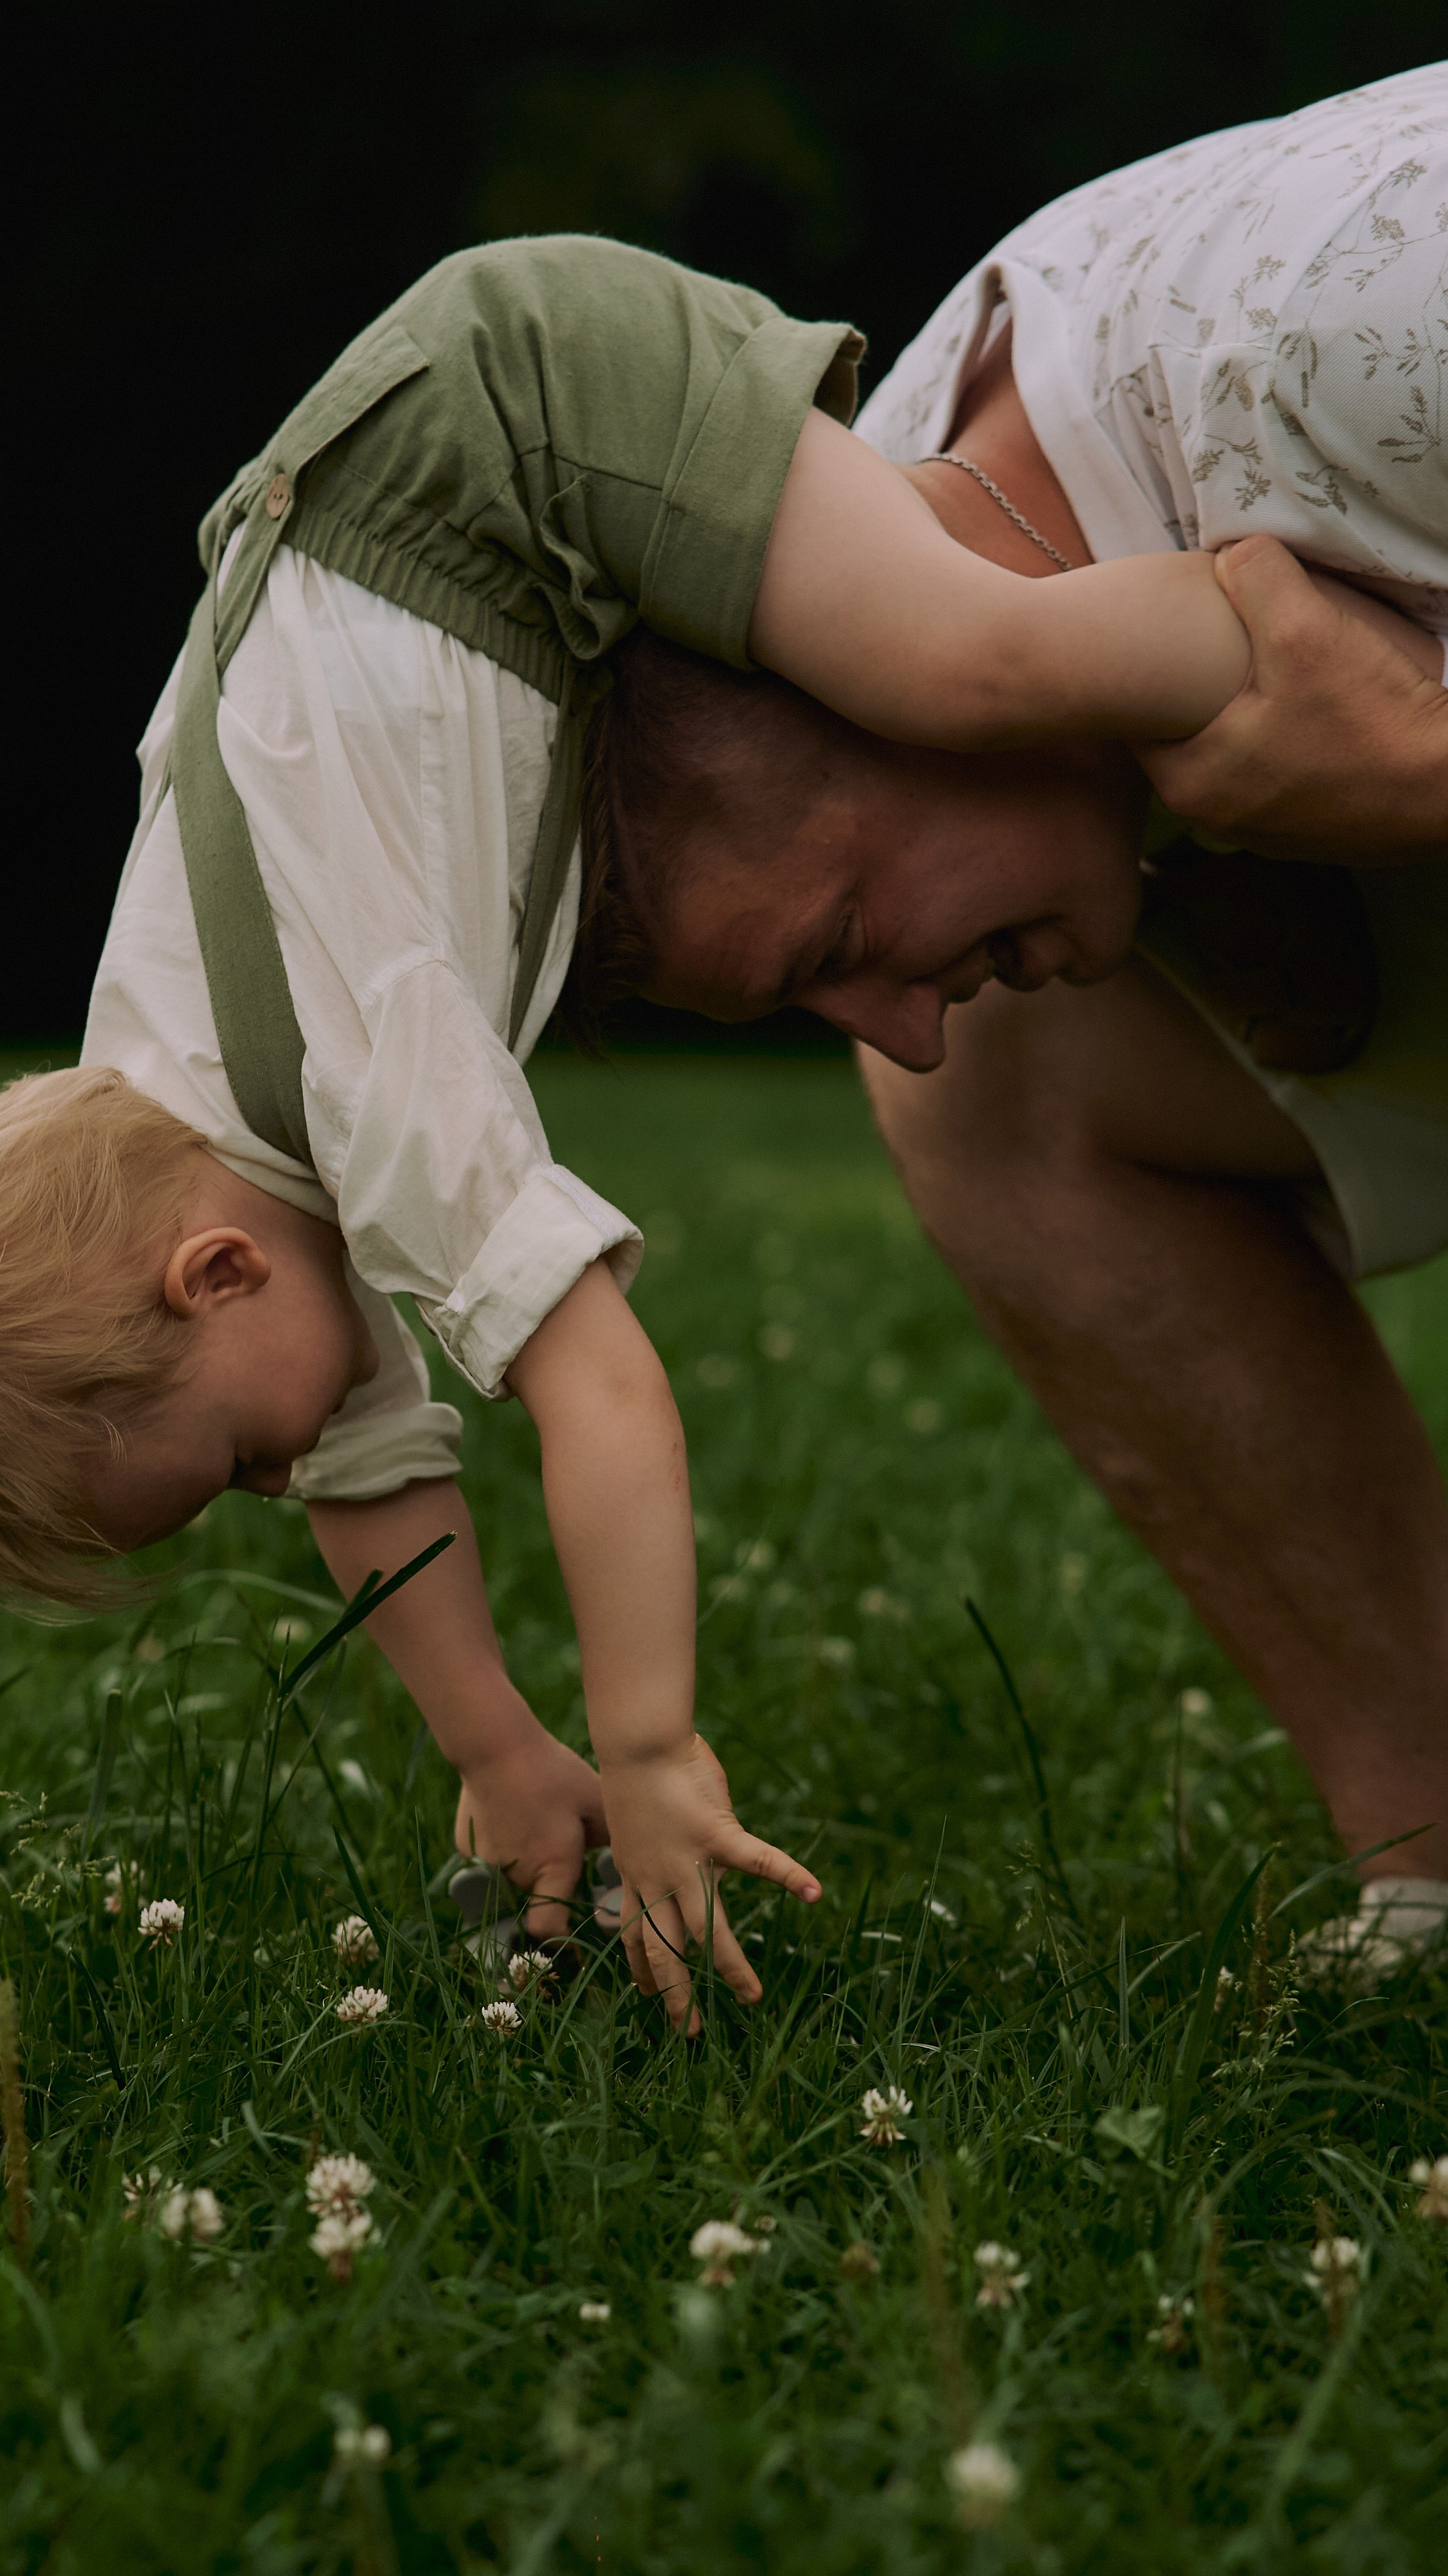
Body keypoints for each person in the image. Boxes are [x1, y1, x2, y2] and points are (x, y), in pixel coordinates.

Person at [0, 220, 1365, 2031]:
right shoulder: (166, 1114)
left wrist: (649, 1742)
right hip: (401, 511)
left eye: (231, 1458)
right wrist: (498, 1746)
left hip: (519, 416)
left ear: (215, 1268)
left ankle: (1293, 660)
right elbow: (365, 1466)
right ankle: (1224, 817)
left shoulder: (358, 1076)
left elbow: (599, 1381)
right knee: (961, 678)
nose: (276, 1480)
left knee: (975, 664)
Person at [837, 61, 1448, 1983]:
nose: (888, 1016)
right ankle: (1441, 1843)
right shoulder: (931, 455)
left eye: (846, 926)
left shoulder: (1370, 320)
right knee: (1007, 1091)